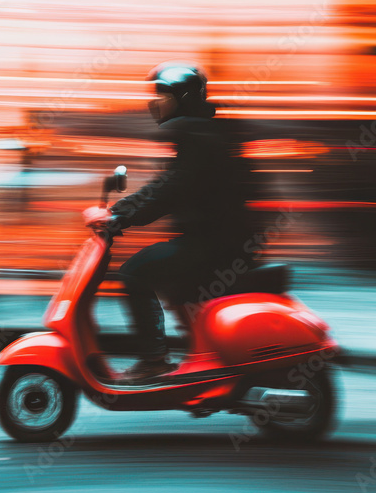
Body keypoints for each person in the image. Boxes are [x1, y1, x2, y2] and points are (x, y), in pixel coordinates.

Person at [84, 62, 255, 384]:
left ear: (184, 98)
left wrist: (121, 217)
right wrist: (118, 211)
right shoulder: (199, 134)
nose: (156, 102)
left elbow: (172, 191)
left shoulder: (199, 138)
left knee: (135, 273)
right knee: (165, 273)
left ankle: (153, 360)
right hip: (217, 240)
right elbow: (166, 185)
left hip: (216, 244)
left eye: (163, 95)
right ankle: (197, 355)